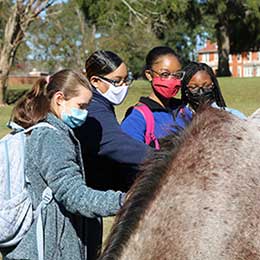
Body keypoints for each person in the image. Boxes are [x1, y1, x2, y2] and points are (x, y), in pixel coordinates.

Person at [3, 69, 125, 260]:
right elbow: (73, 194)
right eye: (81, 106)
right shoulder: (51, 137)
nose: (84, 113)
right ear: (59, 98)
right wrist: (124, 201)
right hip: (49, 251)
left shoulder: (42, 131)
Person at [75, 50, 150, 193]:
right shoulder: (94, 108)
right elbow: (116, 144)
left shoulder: (101, 103)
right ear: (95, 81)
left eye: (126, 80)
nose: (124, 86)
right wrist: (165, 158)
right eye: (117, 81)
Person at [121, 46, 192, 148]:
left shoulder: (184, 110)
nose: (172, 80)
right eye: (165, 74)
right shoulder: (137, 117)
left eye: (177, 75)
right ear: (149, 75)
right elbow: (128, 153)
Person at [181, 61, 246, 119]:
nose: (201, 92)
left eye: (206, 86)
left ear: (213, 85)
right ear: (185, 90)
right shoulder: (179, 119)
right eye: (193, 87)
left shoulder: (233, 116)